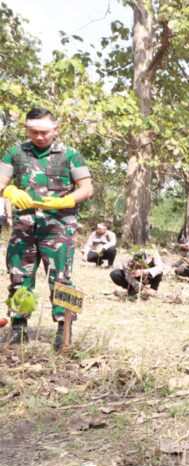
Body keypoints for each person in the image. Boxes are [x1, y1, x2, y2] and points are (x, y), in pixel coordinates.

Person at [0, 108, 94, 349]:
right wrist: (10, 191)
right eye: (34, 132)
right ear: (26, 129)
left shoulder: (70, 155)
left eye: (44, 132)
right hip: (24, 227)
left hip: (59, 228)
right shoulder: (15, 153)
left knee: (62, 278)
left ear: (55, 130)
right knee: (19, 276)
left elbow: (86, 188)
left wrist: (67, 200)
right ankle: (19, 327)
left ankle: (66, 329)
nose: (39, 137)